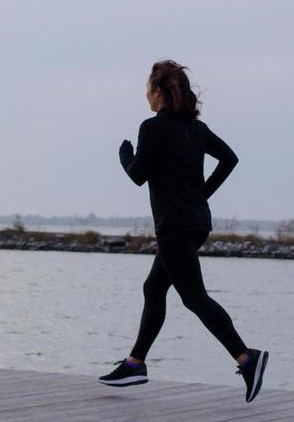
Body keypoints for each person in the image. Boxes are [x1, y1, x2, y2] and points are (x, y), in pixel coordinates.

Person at [99, 60, 269, 402]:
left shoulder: (153, 128)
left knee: (194, 297)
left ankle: (247, 358)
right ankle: (135, 363)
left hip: (174, 227)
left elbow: (137, 174)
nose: (146, 95)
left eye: (148, 89)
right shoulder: (196, 129)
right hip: (196, 223)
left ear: (159, 92)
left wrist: (124, 154)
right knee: (154, 288)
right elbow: (230, 159)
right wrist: (201, 194)